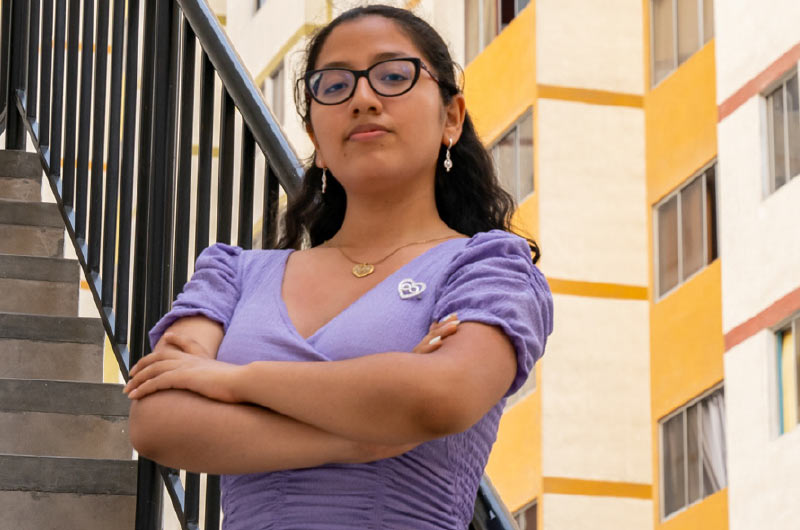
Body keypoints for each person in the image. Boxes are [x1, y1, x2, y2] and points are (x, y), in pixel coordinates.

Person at [125, 5, 554, 529]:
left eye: (394, 76)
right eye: (334, 86)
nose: (364, 99)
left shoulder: (488, 269)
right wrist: (360, 438)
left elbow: (440, 397)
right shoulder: (234, 273)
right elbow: (157, 421)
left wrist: (233, 380)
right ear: (314, 136)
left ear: (451, 118)